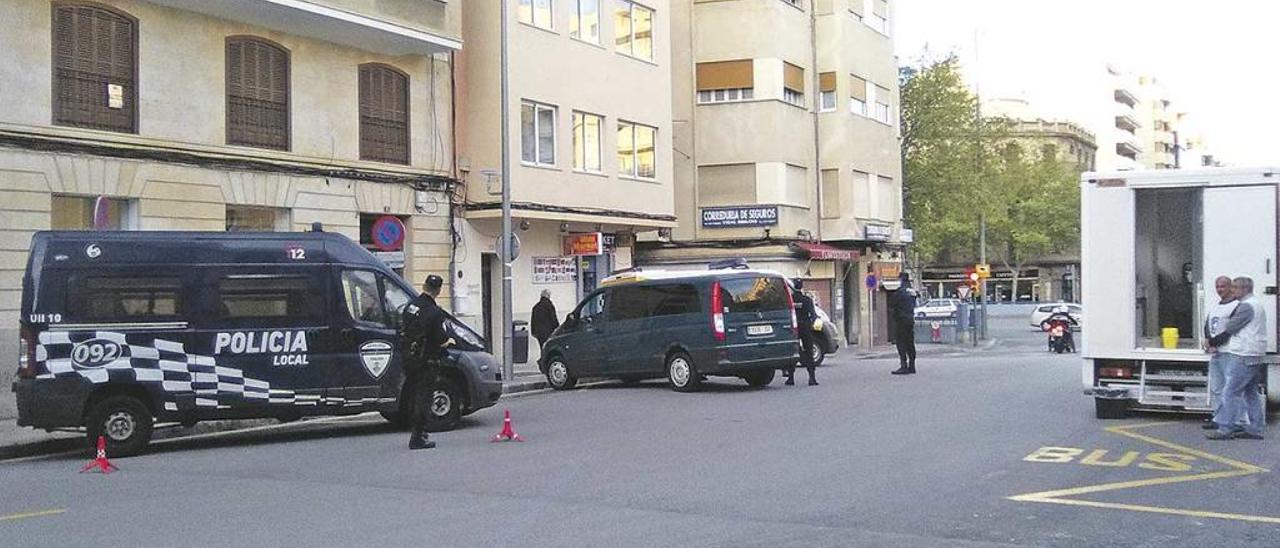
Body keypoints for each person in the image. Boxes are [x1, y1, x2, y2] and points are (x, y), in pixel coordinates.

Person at [1206, 276, 1267, 440]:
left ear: (1244, 289)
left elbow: (1231, 327)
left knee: (1229, 392)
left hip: (1243, 353)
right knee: (1250, 393)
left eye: (1234, 288)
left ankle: (1226, 428)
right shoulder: (1256, 304)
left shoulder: (1246, 306)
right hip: (1254, 353)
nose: (1232, 291)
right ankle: (1255, 428)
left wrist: (1213, 340)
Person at [401, 274, 451, 450]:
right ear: (438, 290)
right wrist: (448, 341)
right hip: (426, 360)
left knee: (414, 394)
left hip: (409, 357)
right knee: (423, 397)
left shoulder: (411, 306)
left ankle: (416, 432)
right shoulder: (434, 312)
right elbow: (440, 339)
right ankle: (418, 436)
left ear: (424, 286)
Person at [1201, 276, 1239, 430]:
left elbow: (1231, 330)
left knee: (1230, 389)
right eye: (1217, 286)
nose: (1219, 289)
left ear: (1231, 287)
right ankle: (1219, 418)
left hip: (1229, 352)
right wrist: (1209, 342)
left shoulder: (1236, 306)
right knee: (1217, 388)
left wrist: (1213, 343)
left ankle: (1234, 421)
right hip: (1216, 353)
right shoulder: (1216, 306)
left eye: (1223, 286)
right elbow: (1208, 325)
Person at [784, 279, 819, 386]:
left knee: (793, 351)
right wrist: (812, 324)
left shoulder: (789, 300)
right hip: (805, 327)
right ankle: (812, 378)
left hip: (794, 328)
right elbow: (813, 315)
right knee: (809, 351)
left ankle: (790, 378)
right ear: (802, 287)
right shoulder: (807, 300)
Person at [889, 272, 918, 375]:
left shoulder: (900, 292)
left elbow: (892, 304)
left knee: (901, 343)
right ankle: (912, 366)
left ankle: (904, 366)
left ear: (901, 279)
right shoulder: (912, 291)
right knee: (910, 343)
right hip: (910, 319)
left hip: (901, 320)